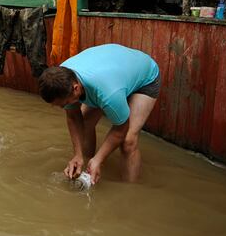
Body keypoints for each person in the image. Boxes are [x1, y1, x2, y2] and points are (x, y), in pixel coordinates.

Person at [38, 44, 160, 184]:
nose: (62, 107)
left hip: (145, 78)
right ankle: (86, 164)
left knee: (128, 141)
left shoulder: (108, 94)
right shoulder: (61, 78)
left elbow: (121, 129)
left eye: (64, 103)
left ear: (76, 88)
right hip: (115, 72)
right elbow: (73, 116)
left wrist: (99, 160)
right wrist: (78, 155)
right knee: (85, 121)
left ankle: (130, 192)